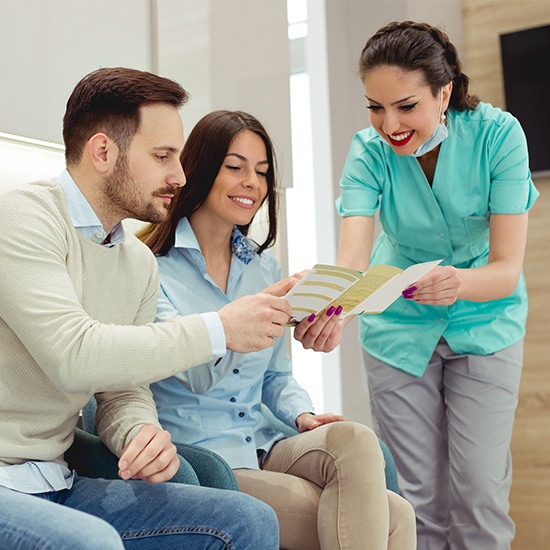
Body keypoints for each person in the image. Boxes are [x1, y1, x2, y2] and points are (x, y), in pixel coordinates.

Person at [0, 67, 288, 549]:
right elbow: (75, 355)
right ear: (103, 152)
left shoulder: (136, 261)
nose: (179, 175)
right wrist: (218, 329)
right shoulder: (24, 220)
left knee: (249, 521)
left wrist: (139, 433)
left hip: (57, 481)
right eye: (162, 156)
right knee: (93, 544)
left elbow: (121, 390)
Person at [138, 109, 417, 550]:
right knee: (393, 516)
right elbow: (195, 372)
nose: (252, 181)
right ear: (200, 169)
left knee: (356, 439)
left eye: (262, 172)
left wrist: (302, 415)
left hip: (265, 444)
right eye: (235, 167)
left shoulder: (263, 264)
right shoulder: (150, 268)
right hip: (206, 457)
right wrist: (253, 314)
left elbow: (275, 376)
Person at [335, 21, 539, 550]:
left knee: (479, 495)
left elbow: (506, 271)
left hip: (485, 322)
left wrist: (456, 283)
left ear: (443, 91)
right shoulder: (368, 151)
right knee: (413, 501)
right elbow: (353, 261)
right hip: (398, 331)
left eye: (406, 106)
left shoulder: (499, 136)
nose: (389, 125)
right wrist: (329, 310)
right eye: (375, 108)